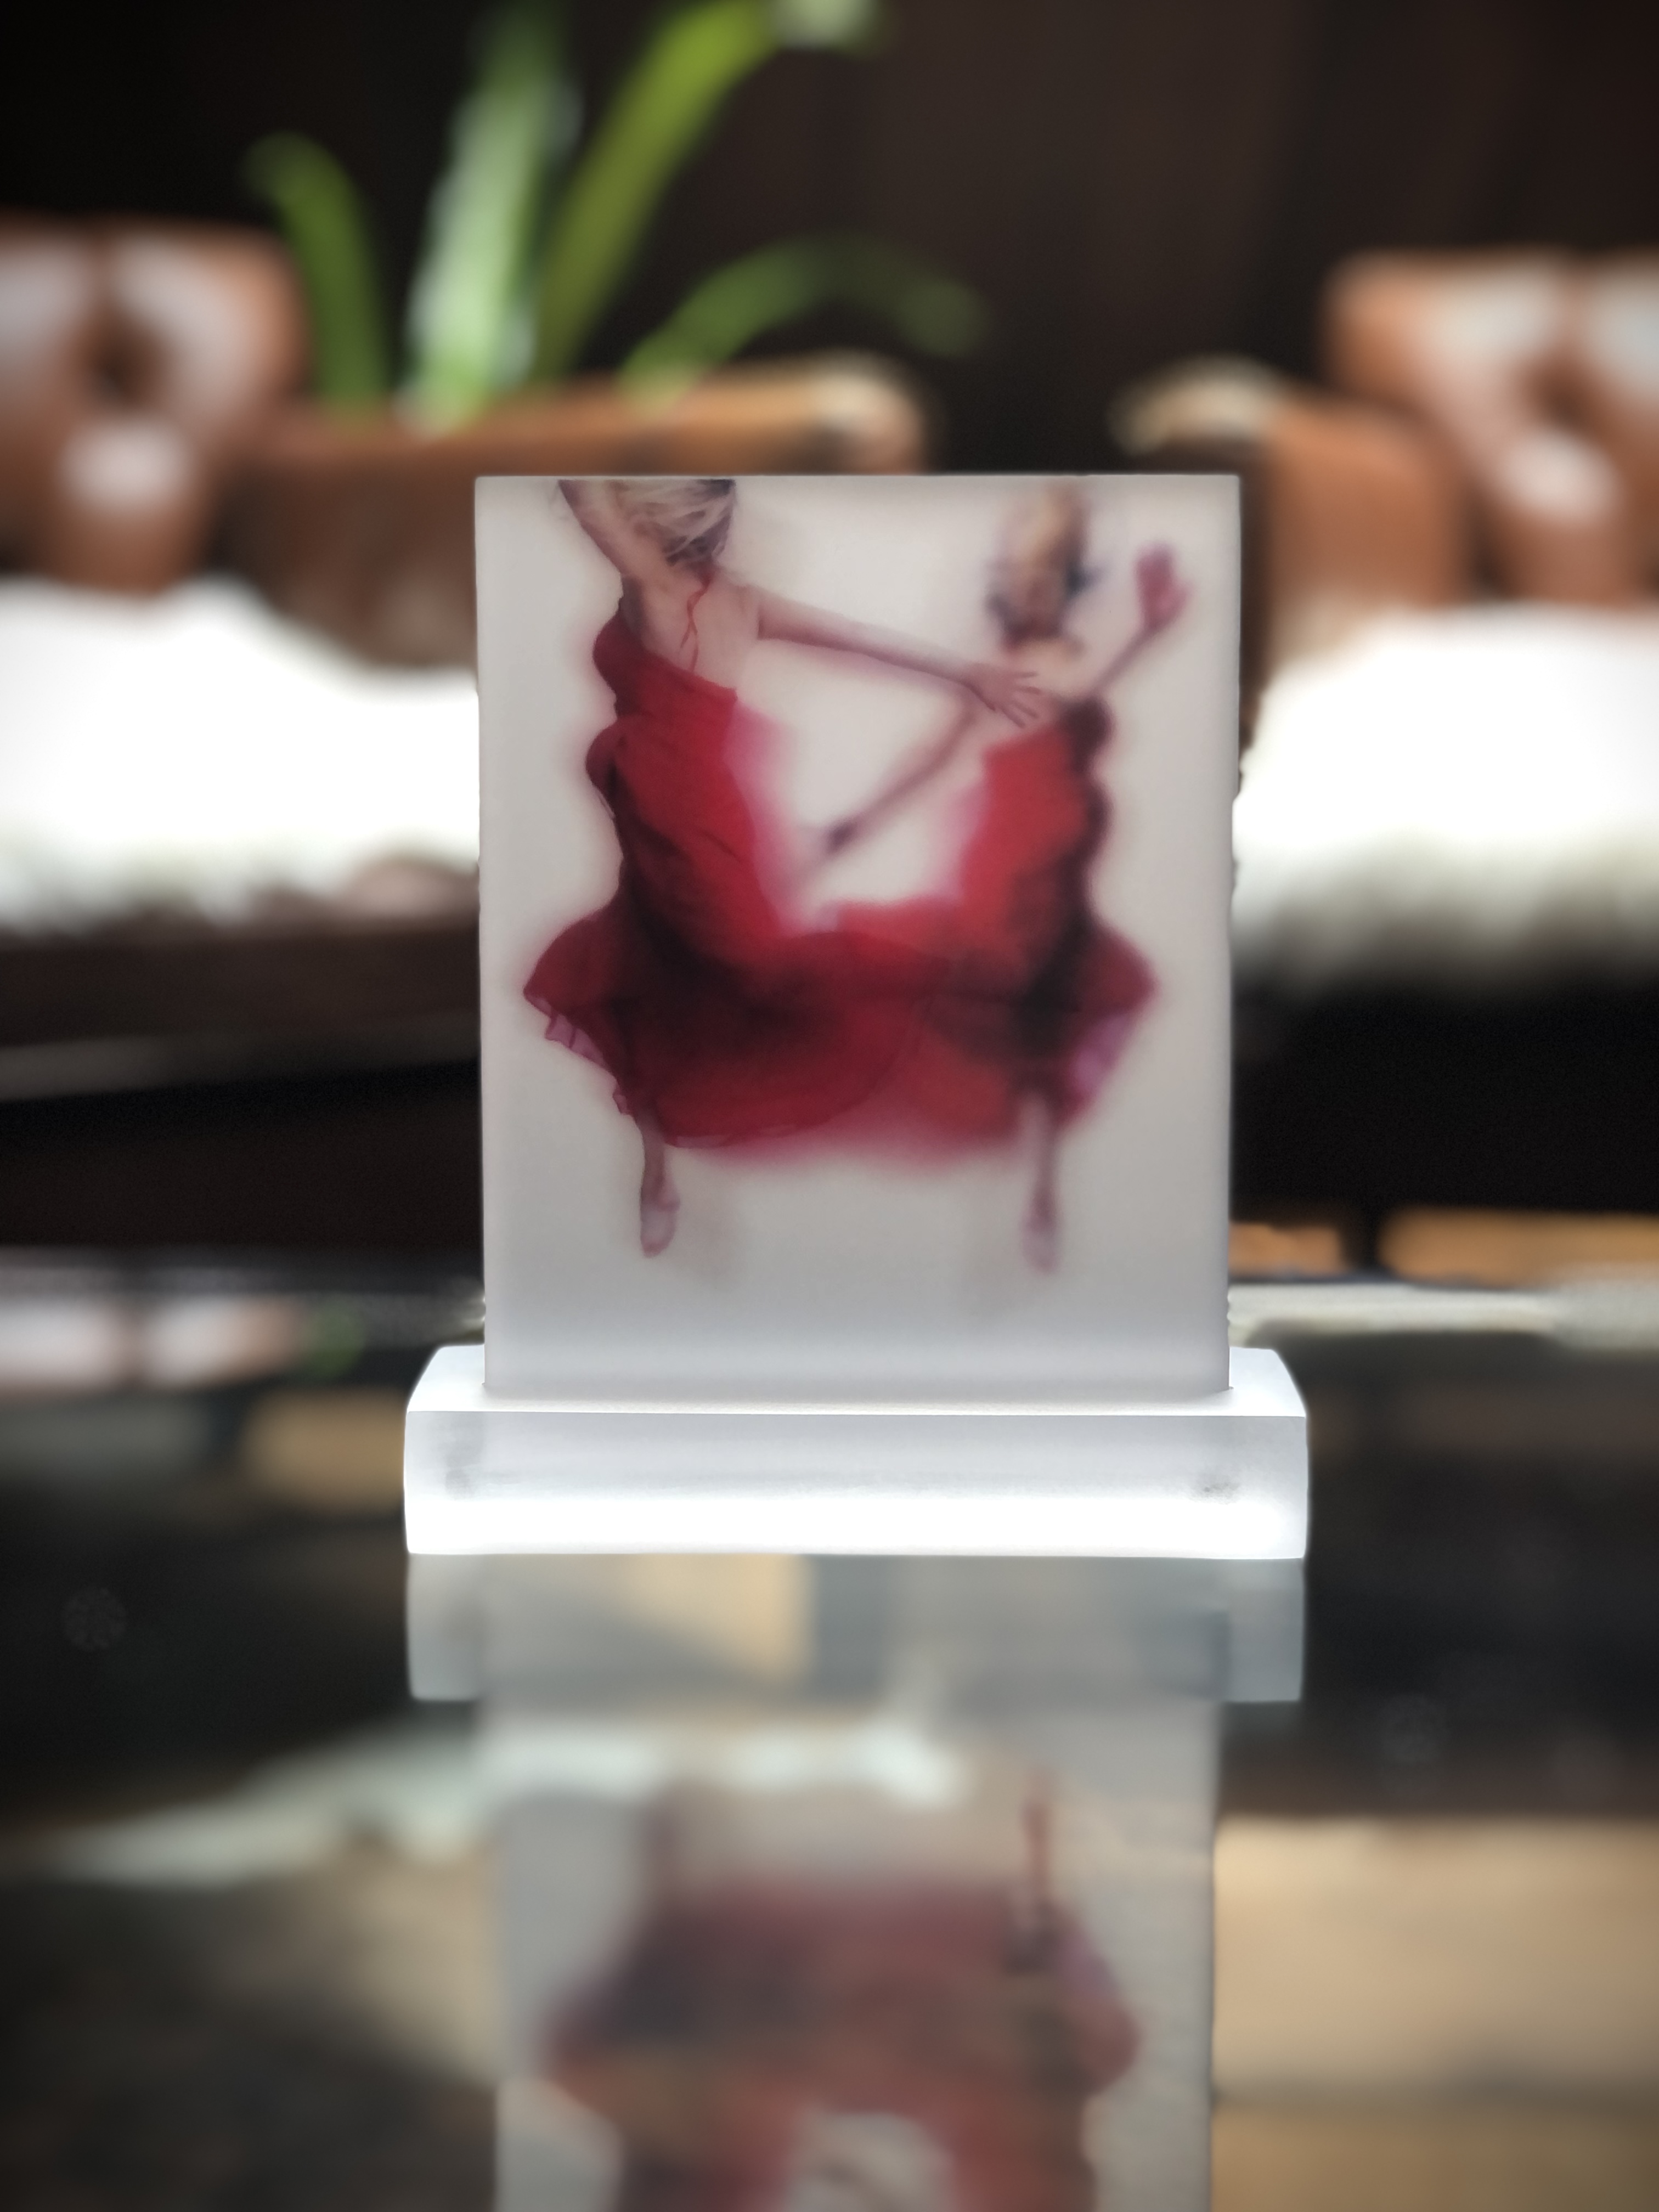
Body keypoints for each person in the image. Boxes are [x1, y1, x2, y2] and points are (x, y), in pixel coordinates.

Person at [524, 478, 1044, 1255]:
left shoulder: (656, 587)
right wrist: (965, 672)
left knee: (748, 968)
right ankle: (657, 1173)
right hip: (663, 815)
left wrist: (970, 674)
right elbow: (859, 636)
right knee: (649, 970)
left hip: (680, 817)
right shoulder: (738, 601)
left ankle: (948, 992)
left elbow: (588, 498)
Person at [813, 485, 1188, 1268]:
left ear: (1069, 581)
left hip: (1063, 874)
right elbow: (934, 752)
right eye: (1016, 576)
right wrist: (854, 821)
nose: (1028, 591)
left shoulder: (1075, 653)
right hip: (1014, 867)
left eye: (1044, 576)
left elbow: (1079, 689)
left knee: (1056, 1011)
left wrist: (1145, 632)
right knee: (1005, 998)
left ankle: (1043, 1192)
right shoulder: (1004, 666)